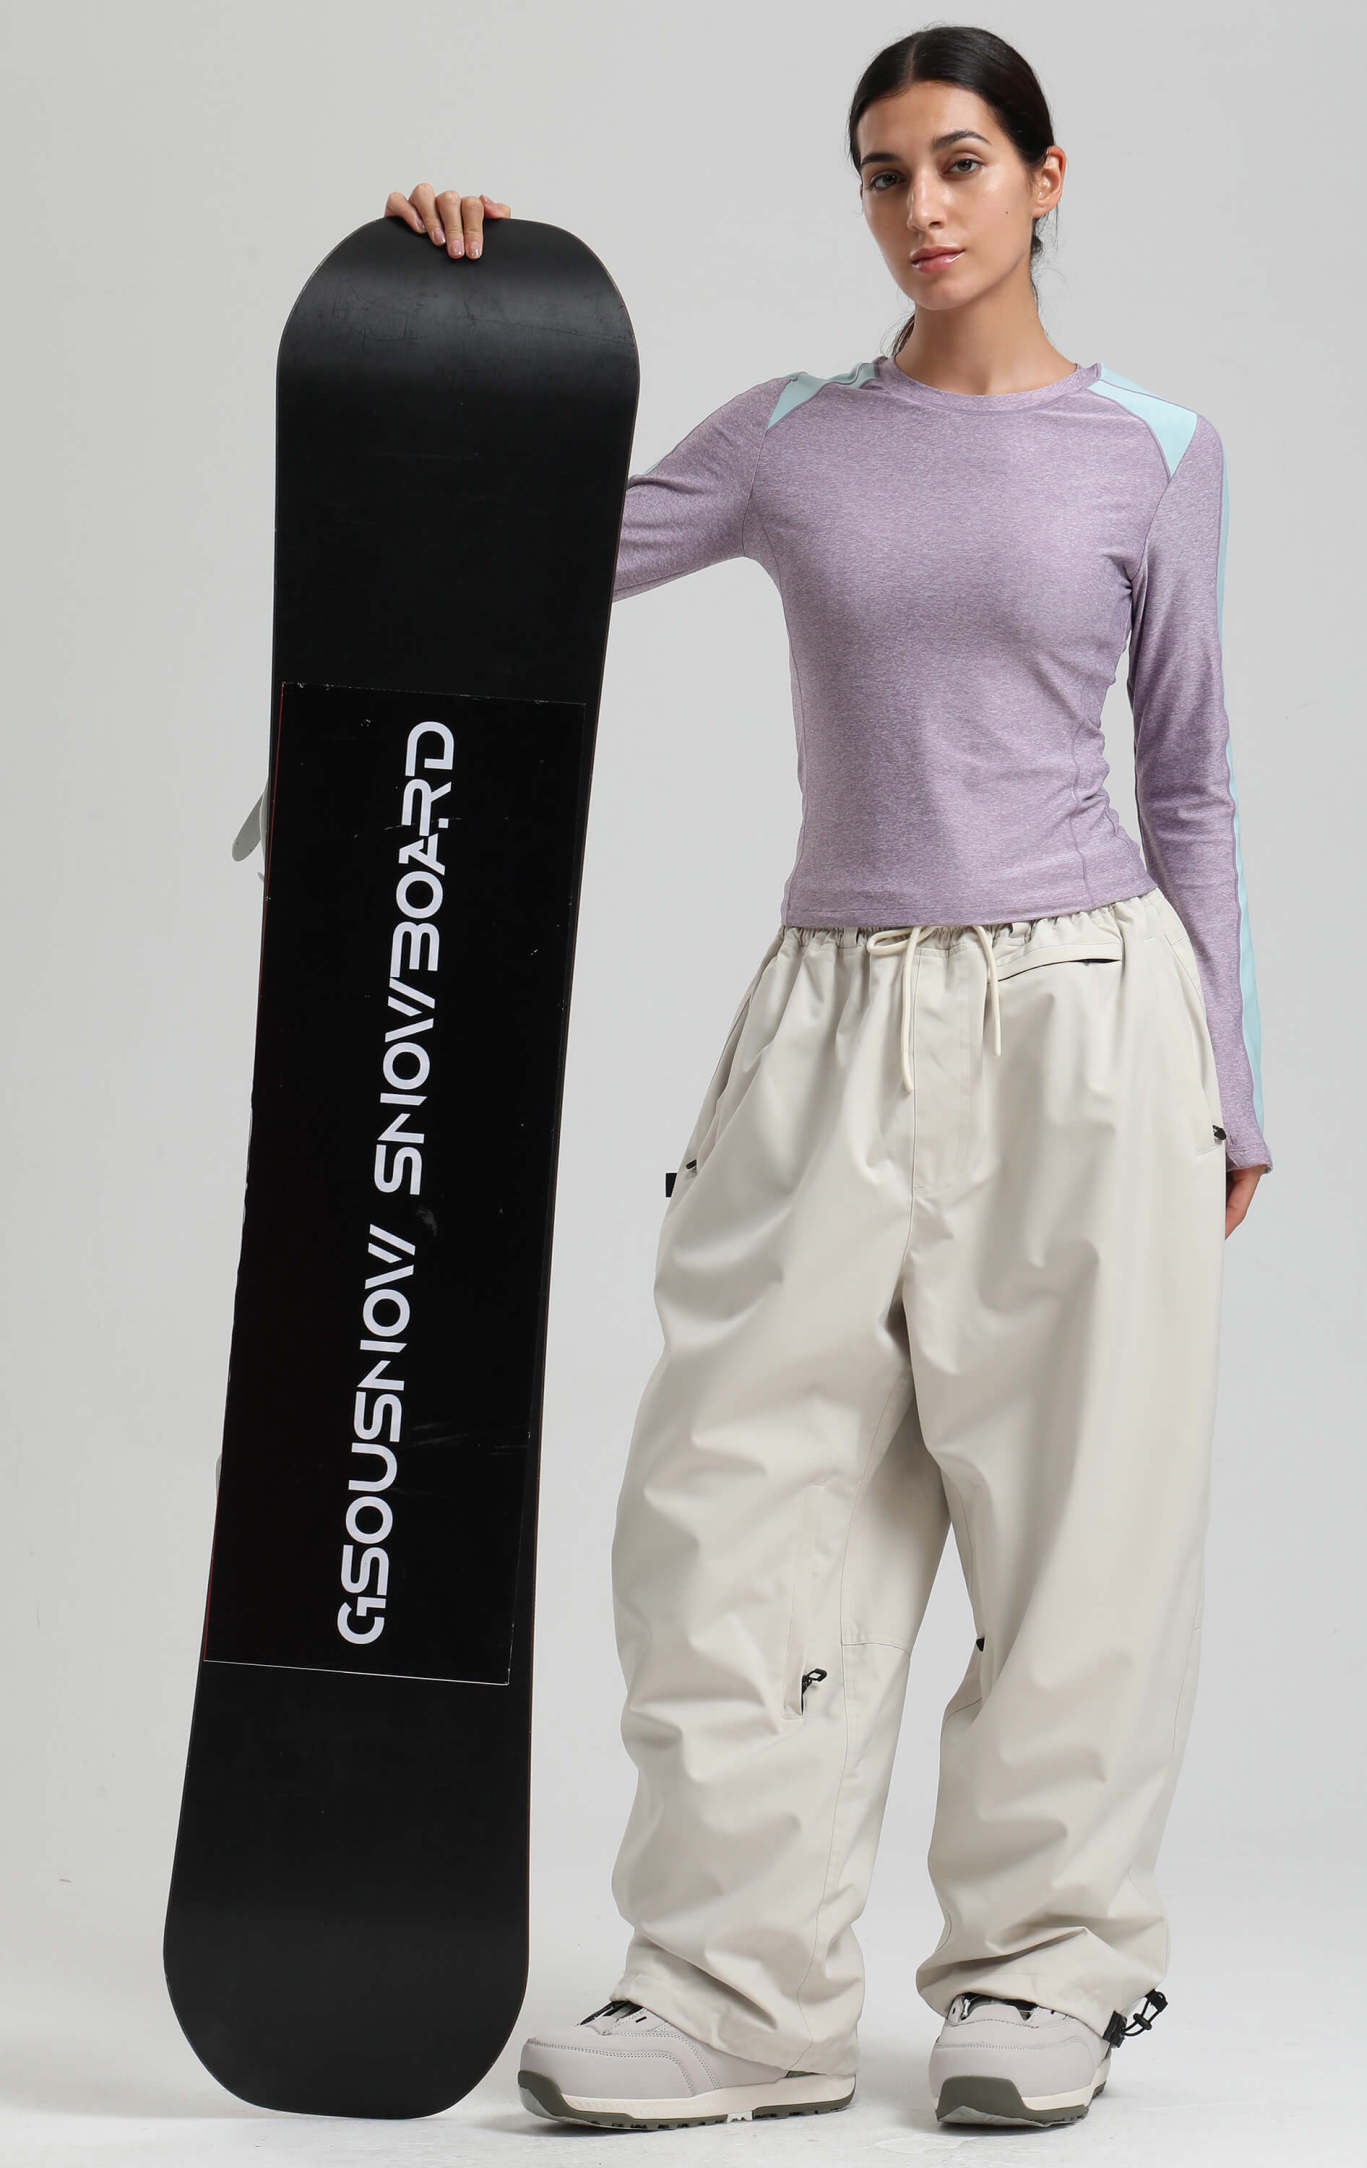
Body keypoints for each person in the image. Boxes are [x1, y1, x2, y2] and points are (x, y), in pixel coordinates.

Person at [384, 20, 1272, 2136]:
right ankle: (730, 1993)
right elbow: (520, 567)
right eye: (884, 172)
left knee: (1078, 1521)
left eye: (960, 160)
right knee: (730, 1505)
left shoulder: (1155, 449)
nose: (921, 206)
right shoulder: (790, 437)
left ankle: (1044, 1972)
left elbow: (1192, 780)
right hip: (831, 1014)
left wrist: (1229, 1082)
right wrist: (455, 317)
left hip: (1086, 1011)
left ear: (1045, 177)